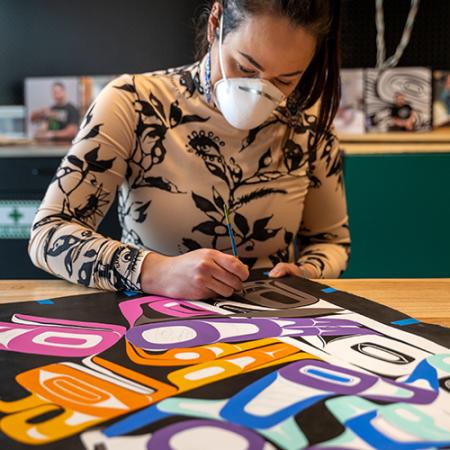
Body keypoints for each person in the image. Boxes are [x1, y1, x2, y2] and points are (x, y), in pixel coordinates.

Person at [29, 0, 350, 300]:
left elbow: (330, 242)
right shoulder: (134, 103)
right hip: (151, 329)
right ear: (215, 24)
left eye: (284, 81)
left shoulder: (308, 125)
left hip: (277, 328)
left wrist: (306, 272)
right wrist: (153, 271)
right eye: (245, 68)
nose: (258, 94)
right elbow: (49, 234)